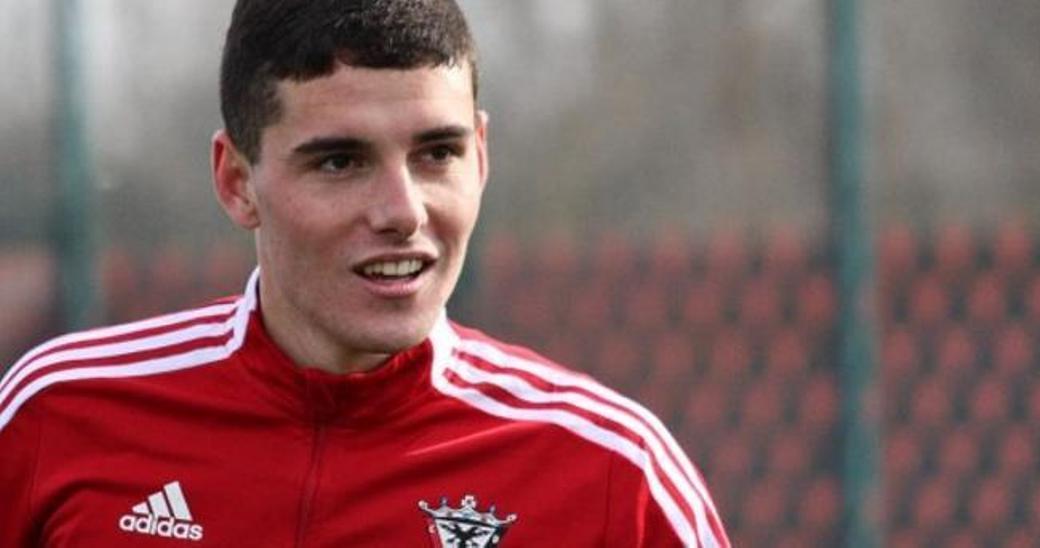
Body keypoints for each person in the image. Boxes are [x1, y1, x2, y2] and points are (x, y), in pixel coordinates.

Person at [0, 1, 729, 546]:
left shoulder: (612, 473)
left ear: (481, 155)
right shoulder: (59, 417)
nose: (401, 211)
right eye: (340, 162)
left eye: (436, 154)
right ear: (236, 182)